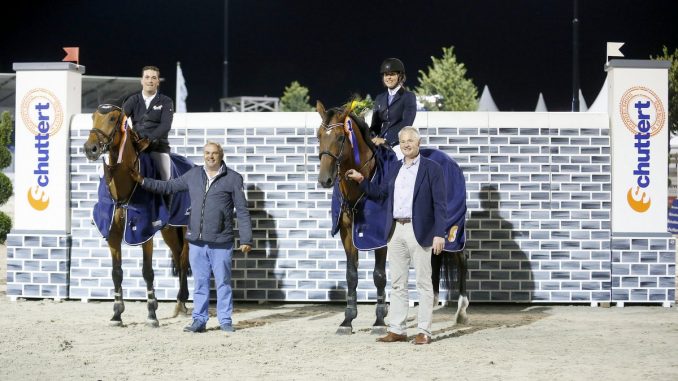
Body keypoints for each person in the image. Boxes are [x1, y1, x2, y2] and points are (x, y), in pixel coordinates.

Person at [130, 142, 253, 333]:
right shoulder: (194, 175)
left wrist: (246, 239)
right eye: (207, 153)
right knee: (200, 284)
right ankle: (199, 320)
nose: (210, 156)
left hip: (221, 242)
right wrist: (143, 181)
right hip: (196, 242)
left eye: (214, 153)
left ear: (221, 155)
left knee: (223, 283)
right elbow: (169, 186)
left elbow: (243, 211)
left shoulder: (233, 179)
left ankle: (225, 320)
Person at [346, 126, 446, 345]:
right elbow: (381, 193)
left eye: (410, 140)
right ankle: (398, 329)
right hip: (395, 231)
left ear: (419, 143)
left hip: (420, 231)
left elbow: (440, 204)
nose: (406, 144)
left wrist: (440, 233)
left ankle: (424, 331)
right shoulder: (395, 169)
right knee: (398, 283)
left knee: (423, 283)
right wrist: (362, 179)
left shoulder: (432, 169)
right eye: (402, 141)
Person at [123, 65, 175, 184]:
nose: (150, 80)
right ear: (142, 81)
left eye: (153, 78)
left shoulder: (166, 101)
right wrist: (131, 137)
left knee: (166, 176)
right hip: (135, 147)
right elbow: (122, 119)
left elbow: (166, 125)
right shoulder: (133, 100)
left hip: (158, 147)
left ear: (158, 81)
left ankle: (167, 203)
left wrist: (148, 139)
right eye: (147, 77)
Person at [370, 58, 417, 160]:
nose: (389, 77)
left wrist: (386, 140)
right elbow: (375, 125)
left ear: (400, 76)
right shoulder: (379, 98)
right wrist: (370, 138)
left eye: (392, 74)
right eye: (386, 75)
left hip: (398, 142)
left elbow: (406, 123)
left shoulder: (408, 97)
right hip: (379, 142)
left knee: (398, 158)